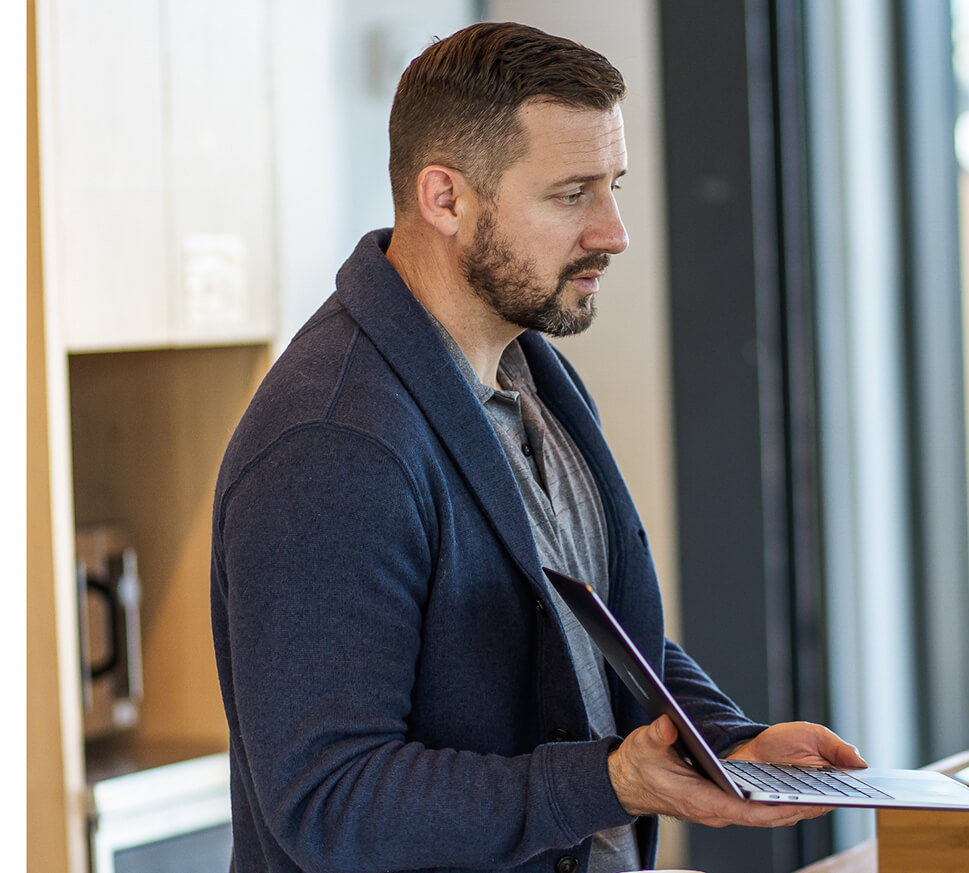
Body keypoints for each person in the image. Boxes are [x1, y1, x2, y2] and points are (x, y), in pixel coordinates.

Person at [210, 22, 862, 873]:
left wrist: (723, 740)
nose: (614, 231)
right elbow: (331, 800)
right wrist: (611, 780)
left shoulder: (531, 372)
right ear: (445, 198)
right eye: (572, 194)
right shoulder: (333, 443)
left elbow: (596, 636)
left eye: (614, 186)